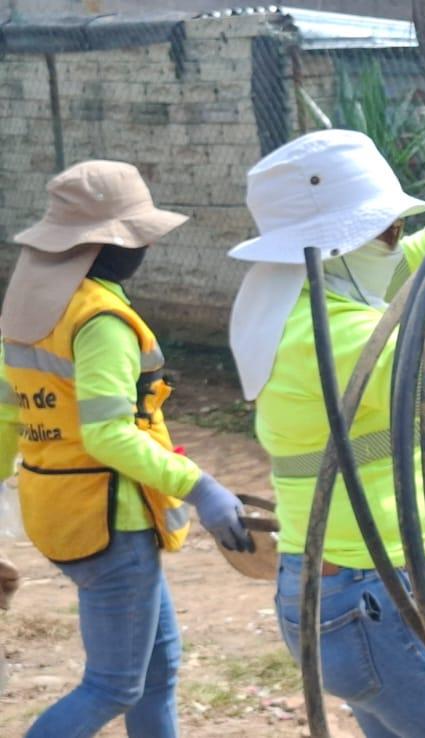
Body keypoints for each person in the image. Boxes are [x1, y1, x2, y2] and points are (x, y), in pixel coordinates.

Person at [227, 130, 425, 738]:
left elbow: (408, 268)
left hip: (351, 596)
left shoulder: (297, 293)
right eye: (387, 229)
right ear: (338, 244)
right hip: (378, 603)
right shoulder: (336, 333)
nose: (396, 240)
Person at [0, 160, 252, 738]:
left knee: (158, 672)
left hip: (57, 509)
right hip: (109, 520)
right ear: (108, 247)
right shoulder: (102, 321)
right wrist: (201, 486)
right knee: (113, 685)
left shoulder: (27, 311)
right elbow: (109, 433)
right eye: (137, 237)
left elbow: (5, 414)